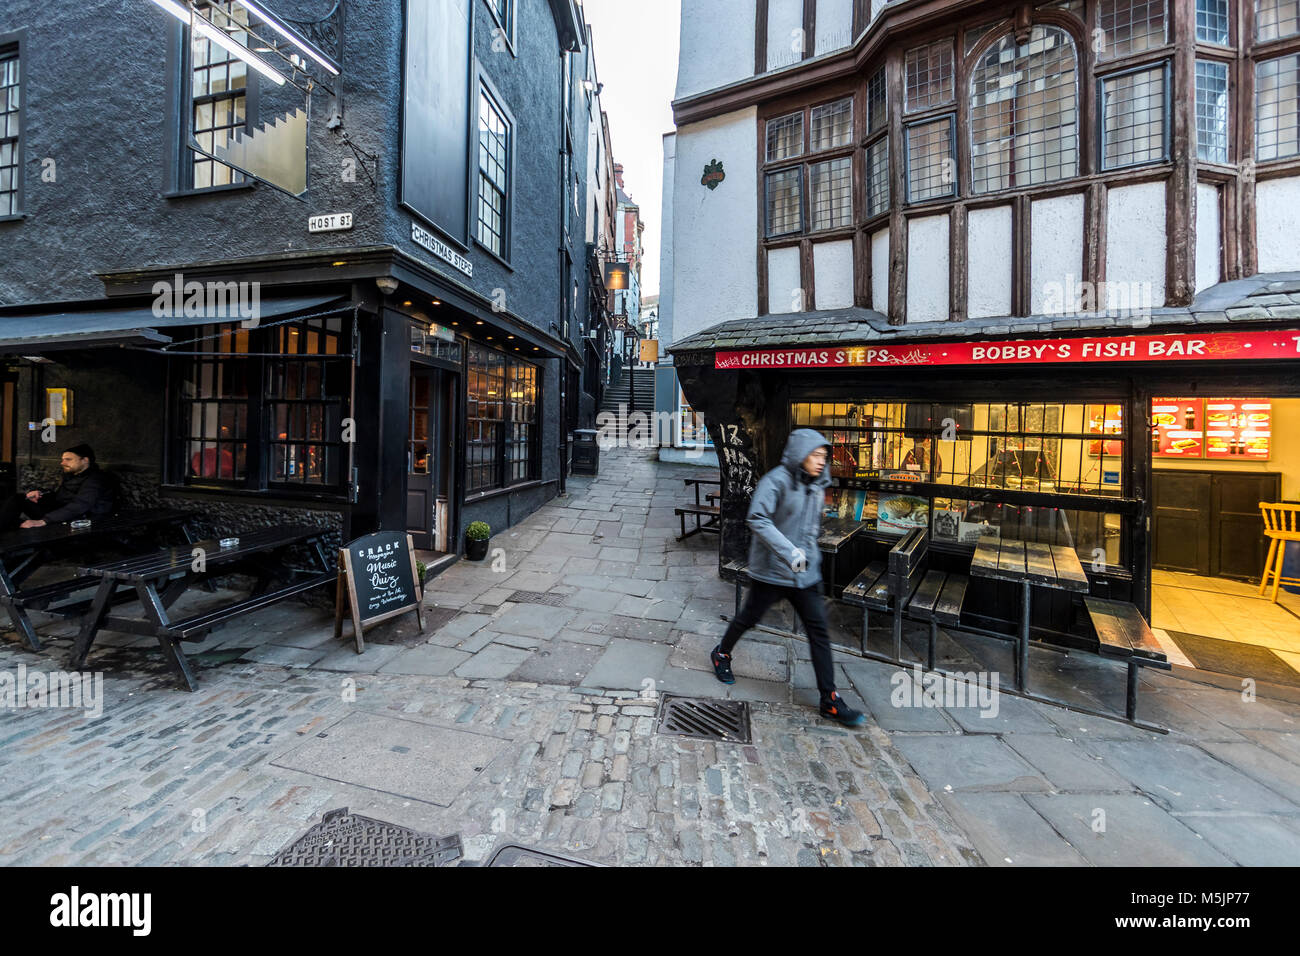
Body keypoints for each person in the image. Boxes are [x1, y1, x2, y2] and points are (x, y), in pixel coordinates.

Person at [711, 428, 866, 727]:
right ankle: (722, 653)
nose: (821, 461)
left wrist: (810, 560)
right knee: (749, 618)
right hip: (771, 571)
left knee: (818, 631)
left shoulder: (817, 484)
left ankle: (829, 700)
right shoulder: (776, 481)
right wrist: (790, 551)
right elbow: (757, 518)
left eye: (824, 456)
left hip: (803, 574)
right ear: (800, 454)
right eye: (815, 455)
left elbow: (809, 529)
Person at [0, 444, 117, 531]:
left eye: (68, 459)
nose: (62, 463)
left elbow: (80, 505)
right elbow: (59, 495)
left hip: (78, 519)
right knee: (19, 499)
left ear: (85, 460)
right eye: (63, 459)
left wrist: (44, 521)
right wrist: (41, 493)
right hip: (59, 512)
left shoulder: (96, 479)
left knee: (13, 522)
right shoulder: (71, 475)